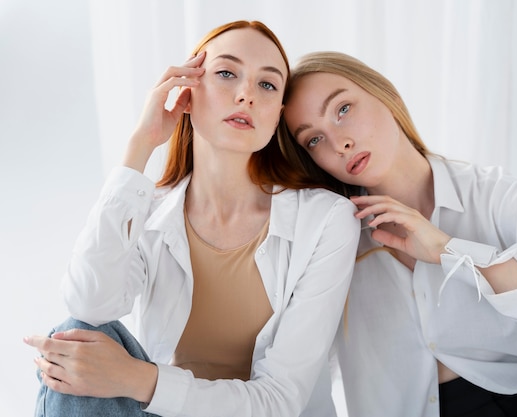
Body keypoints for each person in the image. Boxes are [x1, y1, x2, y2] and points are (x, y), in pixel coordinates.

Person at [23, 23, 360, 417]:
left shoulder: (326, 220)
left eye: (267, 85)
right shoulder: (148, 213)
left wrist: (134, 378)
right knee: (78, 334)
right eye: (226, 73)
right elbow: (89, 302)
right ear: (186, 92)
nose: (245, 94)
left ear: (277, 117)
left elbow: (280, 400)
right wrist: (140, 145)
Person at [277, 51, 517, 417]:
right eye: (314, 140)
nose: (339, 143)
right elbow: (303, 369)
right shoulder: (331, 241)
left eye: (343, 109)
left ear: (384, 94)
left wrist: (450, 251)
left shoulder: (494, 194)